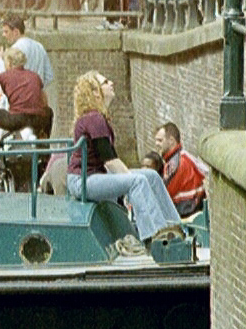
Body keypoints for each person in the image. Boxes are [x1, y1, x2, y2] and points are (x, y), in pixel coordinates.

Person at [67, 72, 184, 245]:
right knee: (137, 181)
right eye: (105, 82)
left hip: (94, 175)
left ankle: (175, 228)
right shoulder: (94, 118)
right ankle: (156, 237)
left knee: (151, 176)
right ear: (95, 92)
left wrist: (129, 178)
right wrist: (130, 179)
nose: (111, 83)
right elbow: (110, 160)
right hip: (83, 180)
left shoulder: (96, 117)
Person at [0, 47, 52, 139]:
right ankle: (43, 140)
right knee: (49, 112)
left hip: (17, 119)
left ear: (9, 62)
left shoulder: (4, 77)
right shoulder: (35, 76)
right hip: (38, 120)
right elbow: (44, 100)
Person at [154, 122, 208, 218]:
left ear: (171, 141)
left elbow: (164, 193)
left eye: (160, 140)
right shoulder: (181, 157)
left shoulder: (176, 163)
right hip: (189, 206)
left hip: (185, 211)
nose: (156, 144)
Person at [0, 14, 54, 89]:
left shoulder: (14, 50)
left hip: (20, 93)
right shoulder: (39, 46)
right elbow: (49, 76)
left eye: (6, 32)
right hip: (37, 93)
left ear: (16, 32)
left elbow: (7, 77)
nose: (3, 35)